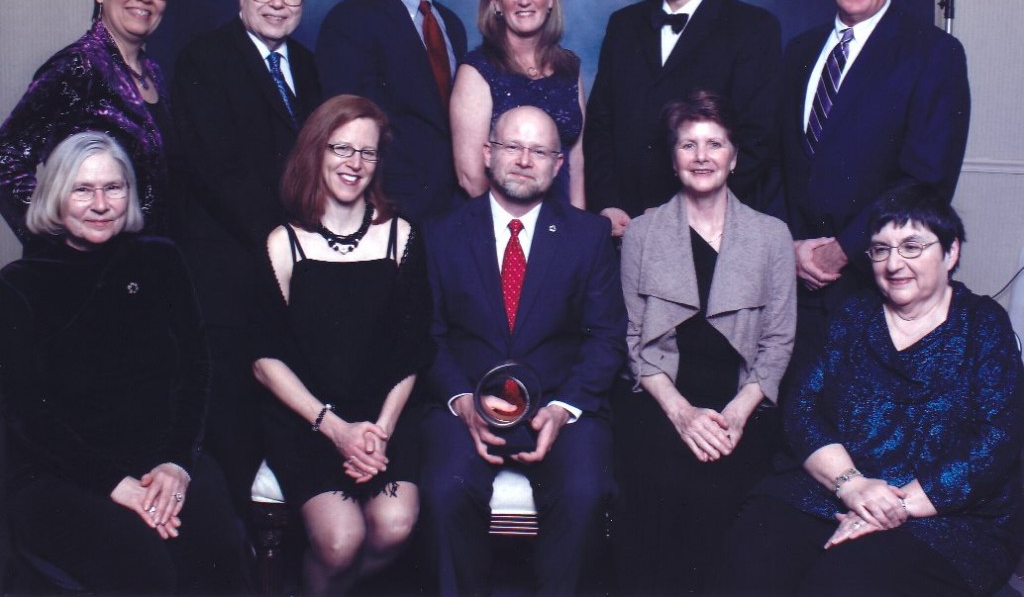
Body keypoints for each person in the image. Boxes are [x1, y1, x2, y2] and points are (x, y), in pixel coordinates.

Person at [717, 185, 1023, 597]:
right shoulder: (853, 314)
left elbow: (997, 442)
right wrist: (853, 486)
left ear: (951, 253)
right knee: (750, 557)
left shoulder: (984, 326)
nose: (894, 263)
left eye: (912, 246)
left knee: (844, 583)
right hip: (832, 490)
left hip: (943, 515)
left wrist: (892, 507)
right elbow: (802, 408)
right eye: (880, 249)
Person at [0, 132, 249, 594]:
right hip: (62, 473)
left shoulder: (161, 260)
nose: (100, 204)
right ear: (56, 194)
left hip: (161, 457)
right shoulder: (19, 285)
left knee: (220, 551)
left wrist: (178, 463)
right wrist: (116, 484)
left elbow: (197, 370)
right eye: (82, 190)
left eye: (113, 188)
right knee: (147, 570)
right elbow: (27, 415)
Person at [420, 105, 626, 595]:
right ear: (489, 154)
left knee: (585, 491)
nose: (524, 160)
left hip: (560, 402)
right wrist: (460, 401)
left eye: (539, 151)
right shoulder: (440, 233)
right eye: (513, 146)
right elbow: (427, 336)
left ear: (558, 165)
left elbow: (606, 337)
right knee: (444, 489)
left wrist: (564, 408)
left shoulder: (588, 235)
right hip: (466, 403)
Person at [613, 91, 795, 595]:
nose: (701, 156)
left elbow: (779, 342)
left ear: (734, 158)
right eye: (688, 145)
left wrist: (735, 416)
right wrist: (681, 414)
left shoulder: (772, 236)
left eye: (714, 144)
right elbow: (633, 340)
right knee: (659, 495)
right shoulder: (642, 234)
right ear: (673, 160)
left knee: (725, 503)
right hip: (660, 400)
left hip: (743, 403)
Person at [777, 0, 970, 375]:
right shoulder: (799, 51)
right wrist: (790, 245)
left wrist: (844, 248)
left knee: (871, 428)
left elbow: (927, 177)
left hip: (877, 281)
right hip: (794, 285)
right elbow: (775, 160)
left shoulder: (934, 53)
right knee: (797, 425)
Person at [255, 95, 432, 595]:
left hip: (383, 417)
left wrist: (379, 429)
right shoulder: (281, 243)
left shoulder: (402, 236)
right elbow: (265, 361)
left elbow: (414, 347)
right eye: (342, 148)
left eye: (367, 153)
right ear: (316, 150)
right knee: (339, 540)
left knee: (395, 526)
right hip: (309, 420)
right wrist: (336, 430)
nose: (354, 164)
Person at [172, 0, 321, 519]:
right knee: (233, 437)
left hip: (292, 275)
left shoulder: (306, 65)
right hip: (230, 274)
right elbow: (217, 170)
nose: (278, 2)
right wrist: (288, 243)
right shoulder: (203, 60)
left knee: (285, 430)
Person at [584, 0, 781, 235]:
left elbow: (757, 140)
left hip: (709, 230)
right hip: (624, 226)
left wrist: (684, 213)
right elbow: (600, 126)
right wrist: (606, 202)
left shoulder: (754, 28)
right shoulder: (623, 24)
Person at [0, 0, 177, 241]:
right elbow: (5, 156)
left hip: (144, 261)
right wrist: (56, 236)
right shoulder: (78, 66)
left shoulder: (154, 73)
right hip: (88, 265)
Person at [316, 0, 468, 223]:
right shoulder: (350, 20)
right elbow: (352, 126)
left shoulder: (451, 23)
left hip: (457, 204)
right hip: (391, 204)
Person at [450, 0, 586, 208]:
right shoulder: (477, 70)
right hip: (504, 231)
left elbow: (577, 163)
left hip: (562, 225)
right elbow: (470, 177)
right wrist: (520, 230)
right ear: (496, 2)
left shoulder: (570, 67)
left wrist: (579, 230)